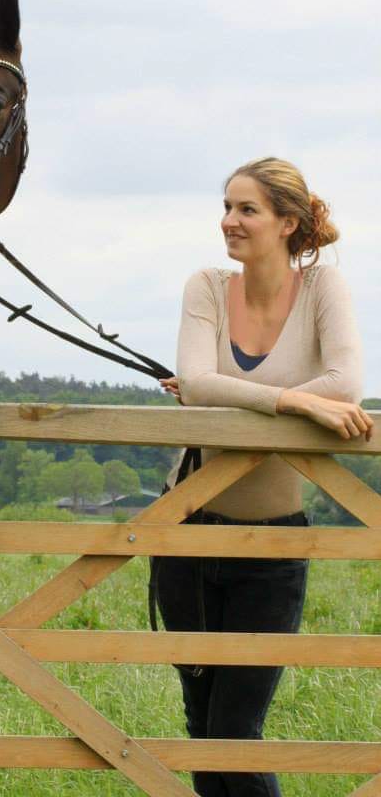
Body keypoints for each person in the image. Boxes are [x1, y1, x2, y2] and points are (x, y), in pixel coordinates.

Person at [157, 156, 373, 797]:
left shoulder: (323, 289)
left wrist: (228, 394)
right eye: (226, 206)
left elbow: (347, 384)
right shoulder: (206, 285)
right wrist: (294, 402)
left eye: (247, 209)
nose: (229, 221)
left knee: (237, 727)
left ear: (288, 222)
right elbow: (194, 381)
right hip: (188, 533)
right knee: (201, 725)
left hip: (274, 542)